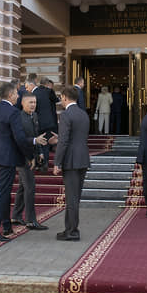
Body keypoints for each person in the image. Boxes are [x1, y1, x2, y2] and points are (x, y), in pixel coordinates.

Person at [0, 82, 43, 242]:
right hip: (8, 158)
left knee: (2, 192)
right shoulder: (13, 112)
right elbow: (20, 138)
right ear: (10, 95)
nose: (18, 96)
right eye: (16, 94)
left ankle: (7, 226)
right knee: (3, 194)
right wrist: (30, 155)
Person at [53, 85, 90, 240]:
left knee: (71, 198)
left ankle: (72, 231)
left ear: (65, 97)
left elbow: (64, 141)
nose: (61, 100)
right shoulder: (83, 114)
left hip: (70, 160)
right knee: (75, 196)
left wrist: (57, 162)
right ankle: (69, 228)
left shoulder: (66, 114)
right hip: (82, 158)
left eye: (61, 97)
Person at [11, 95, 48, 230]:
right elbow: (20, 140)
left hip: (32, 154)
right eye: (30, 102)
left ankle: (16, 216)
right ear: (22, 103)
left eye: (35, 102)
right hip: (22, 157)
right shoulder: (18, 117)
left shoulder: (35, 115)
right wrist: (29, 157)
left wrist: (40, 152)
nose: (33, 105)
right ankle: (31, 220)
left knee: (23, 186)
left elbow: (36, 135)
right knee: (30, 187)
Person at [34, 77, 59, 173]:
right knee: (46, 143)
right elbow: (56, 100)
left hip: (38, 122)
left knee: (39, 142)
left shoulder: (35, 93)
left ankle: (38, 163)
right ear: (47, 84)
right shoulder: (49, 91)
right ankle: (45, 164)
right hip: (48, 122)